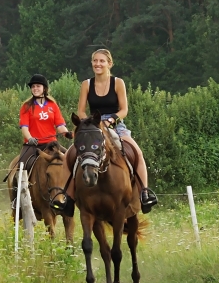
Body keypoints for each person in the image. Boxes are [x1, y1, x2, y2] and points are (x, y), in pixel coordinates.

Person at [52, 49, 158, 216]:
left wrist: (110, 121)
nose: (97, 64)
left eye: (101, 61)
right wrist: (90, 124)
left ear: (109, 63)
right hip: (92, 126)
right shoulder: (86, 84)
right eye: (95, 61)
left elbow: (124, 110)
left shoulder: (118, 83)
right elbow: (80, 111)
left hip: (115, 125)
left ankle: (144, 192)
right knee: (70, 155)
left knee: (137, 152)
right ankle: (67, 198)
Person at [10, 74, 72, 207]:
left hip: (52, 144)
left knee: (71, 161)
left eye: (38, 86)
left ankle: (72, 198)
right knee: (20, 168)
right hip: (33, 144)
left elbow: (60, 125)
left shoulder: (52, 105)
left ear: (44, 88)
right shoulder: (26, 106)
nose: (35, 88)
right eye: (33, 86)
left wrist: (67, 134)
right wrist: (30, 138)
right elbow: (24, 127)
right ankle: (17, 200)